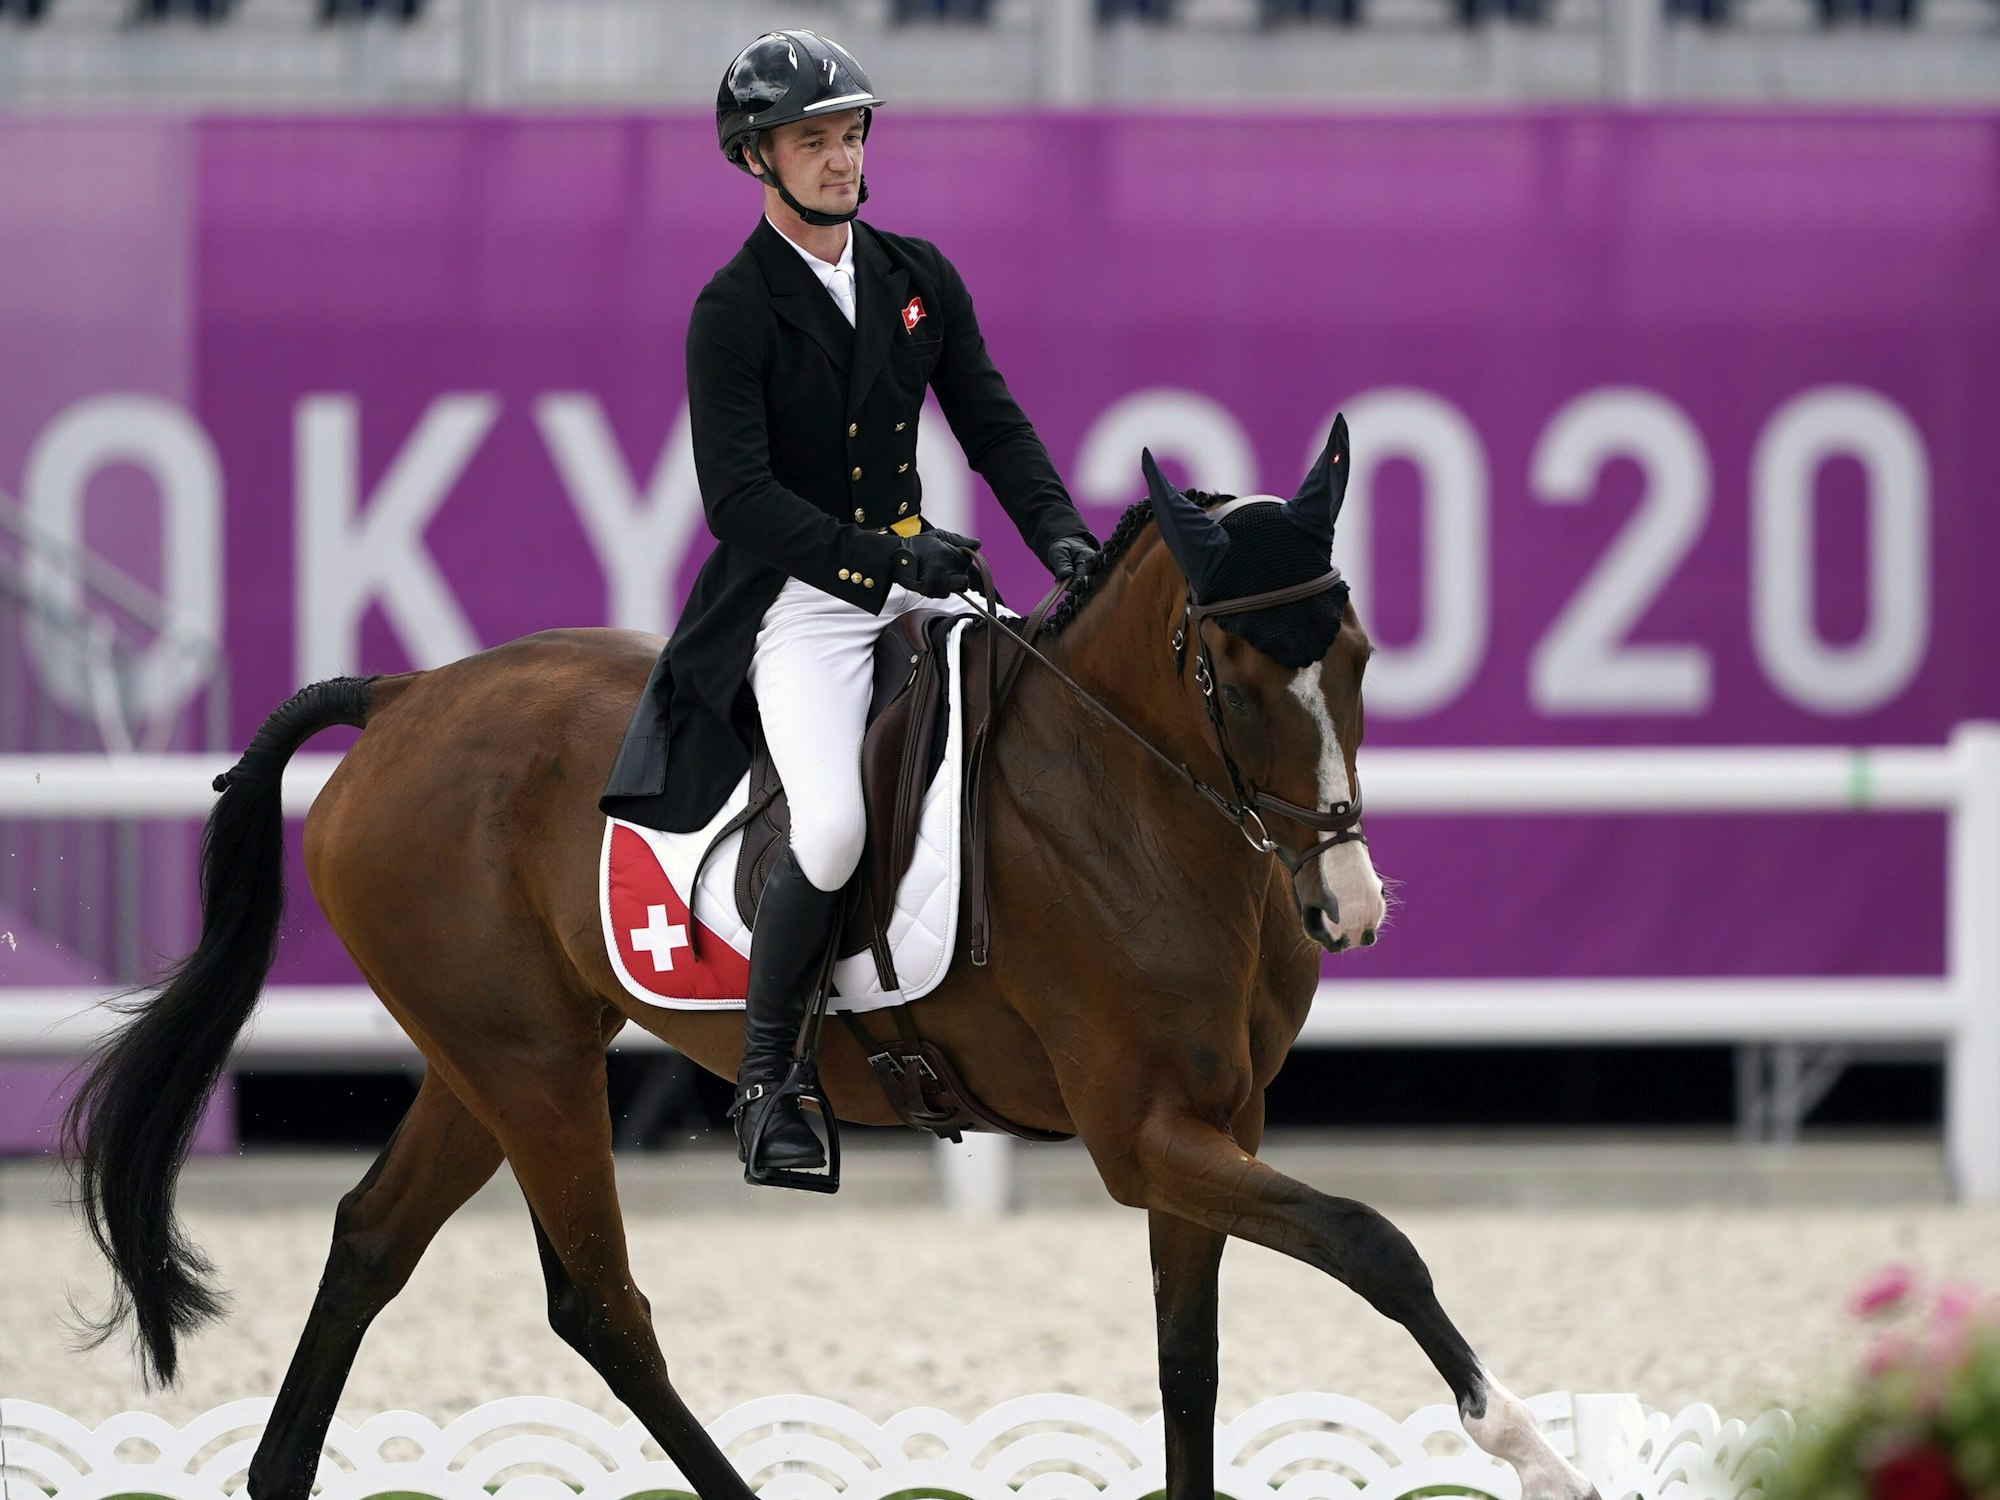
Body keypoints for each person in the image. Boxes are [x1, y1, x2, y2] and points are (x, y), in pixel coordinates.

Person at [600, 29, 1099, 1179]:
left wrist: (1062, 537)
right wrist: (884, 562)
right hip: (801, 605)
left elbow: (992, 422)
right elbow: (740, 502)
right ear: (755, 160)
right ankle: (770, 1082)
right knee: (829, 826)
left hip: (921, 583)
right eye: (813, 141)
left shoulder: (916, 275)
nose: (841, 159)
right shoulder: (731, 309)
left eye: (851, 133)